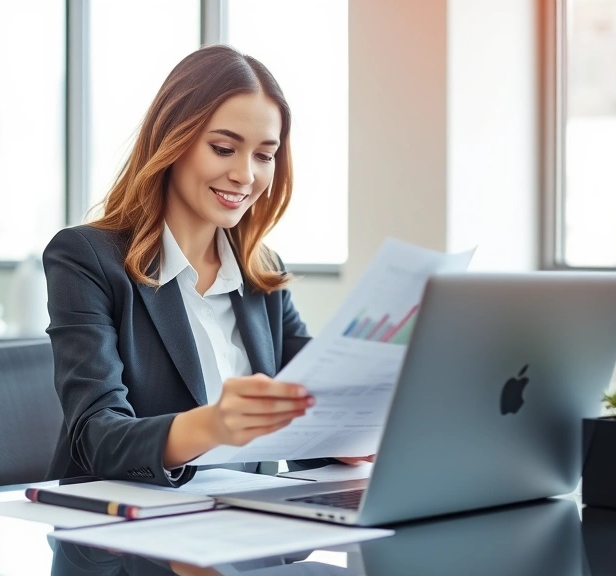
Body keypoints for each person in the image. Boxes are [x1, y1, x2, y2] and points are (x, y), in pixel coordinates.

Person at [43, 44, 371, 487]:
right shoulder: (86, 259)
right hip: (120, 537)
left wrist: (351, 435)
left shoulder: (262, 272)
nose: (245, 175)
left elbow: (311, 411)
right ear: (172, 141)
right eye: (223, 148)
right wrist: (212, 425)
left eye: (264, 155)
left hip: (247, 529)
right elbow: (96, 438)